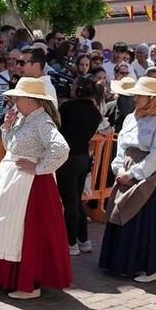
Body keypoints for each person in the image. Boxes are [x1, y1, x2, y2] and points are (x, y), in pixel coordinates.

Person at [0, 78, 72, 299]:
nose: (14, 101)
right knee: (6, 225)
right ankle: (10, 276)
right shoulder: (25, 118)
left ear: (30, 100)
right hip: (15, 180)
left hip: (29, 185)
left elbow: (61, 148)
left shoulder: (42, 121)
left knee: (25, 229)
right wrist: (7, 126)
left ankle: (28, 283)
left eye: (18, 97)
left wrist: (39, 167)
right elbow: (11, 144)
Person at [99, 77, 156, 282]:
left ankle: (148, 268)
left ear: (152, 97)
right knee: (122, 211)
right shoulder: (131, 118)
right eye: (136, 94)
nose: (136, 98)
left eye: (140, 94)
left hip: (153, 175)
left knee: (148, 221)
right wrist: (117, 168)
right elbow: (122, 146)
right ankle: (120, 262)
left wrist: (134, 174)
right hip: (129, 168)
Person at [57, 76, 103, 255]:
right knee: (76, 200)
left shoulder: (68, 108)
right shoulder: (95, 111)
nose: (71, 87)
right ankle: (83, 240)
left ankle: (71, 243)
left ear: (79, 90)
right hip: (83, 158)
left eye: (74, 85)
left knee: (70, 201)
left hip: (68, 158)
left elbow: (59, 127)